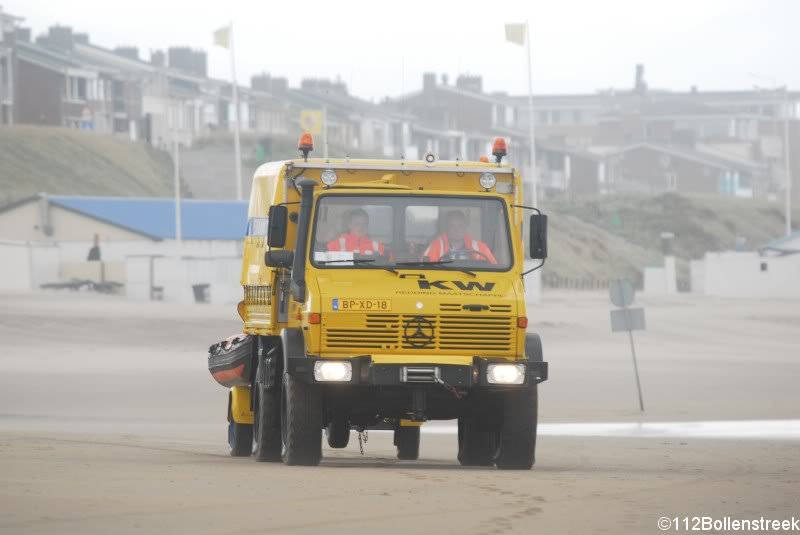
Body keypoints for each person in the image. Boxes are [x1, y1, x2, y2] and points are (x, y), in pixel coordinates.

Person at [423, 210, 497, 264]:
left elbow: (494, 270)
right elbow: (425, 270)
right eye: (452, 226)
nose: (456, 230)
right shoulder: (436, 246)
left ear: (465, 227)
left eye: (460, 226)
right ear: (447, 228)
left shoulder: (480, 247)